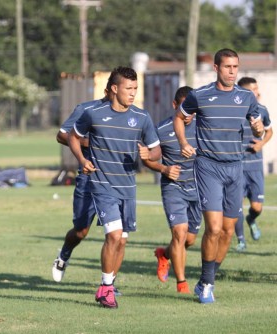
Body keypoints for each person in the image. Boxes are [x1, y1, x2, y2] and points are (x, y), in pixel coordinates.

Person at [174, 48, 264, 304]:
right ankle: (207, 284)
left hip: (236, 167)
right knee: (213, 228)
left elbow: (257, 129)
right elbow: (179, 118)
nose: (232, 71)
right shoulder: (199, 95)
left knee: (227, 231)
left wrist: (257, 128)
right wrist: (182, 142)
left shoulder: (246, 97)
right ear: (216, 68)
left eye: (235, 66)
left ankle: (206, 280)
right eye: (227, 67)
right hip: (208, 166)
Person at [69, 66, 160, 308]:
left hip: (128, 187)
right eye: (128, 89)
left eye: (135, 89)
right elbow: (72, 136)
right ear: (114, 89)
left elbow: (157, 148)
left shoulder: (142, 117)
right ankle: (107, 287)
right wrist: (82, 160)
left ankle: (106, 285)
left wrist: (148, 153)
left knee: (122, 241)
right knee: (114, 235)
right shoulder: (94, 113)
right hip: (102, 184)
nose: (132, 93)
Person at [141, 86, 199, 294]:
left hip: (199, 188)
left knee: (189, 239)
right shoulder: (162, 130)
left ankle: (164, 254)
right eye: (185, 108)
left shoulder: (204, 125)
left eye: (192, 109)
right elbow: (147, 158)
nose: (189, 114)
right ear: (175, 106)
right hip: (173, 187)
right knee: (179, 233)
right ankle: (182, 283)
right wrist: (164, 169)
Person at [51, 92, 107, 283]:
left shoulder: (130, 115)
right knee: (81, 230)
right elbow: (62, 135)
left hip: (116, 180)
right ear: (109, 91)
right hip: (89, 177)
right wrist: (89, 142)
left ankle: (108, 283)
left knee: (116, 235)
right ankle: (64, 255)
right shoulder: (86, 109)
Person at [233, 77, 272, 252]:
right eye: (254, 89)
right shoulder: (233, 111)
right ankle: (241, 240)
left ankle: (251, 219)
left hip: (255, 167)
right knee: (236, 206)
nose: (258, 92)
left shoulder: (262, 110)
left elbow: (269, 131)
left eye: (257, 89)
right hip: (237, 167)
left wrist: (261, 144)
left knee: (257, 207)